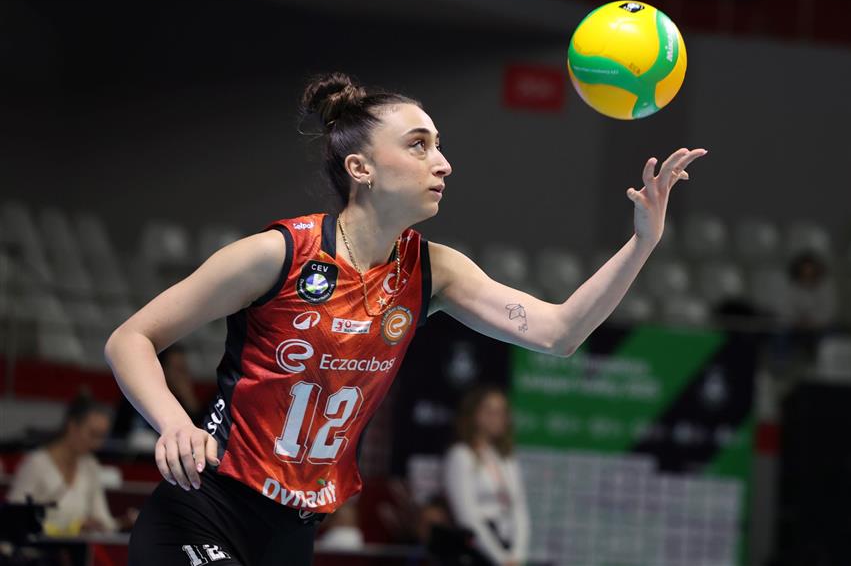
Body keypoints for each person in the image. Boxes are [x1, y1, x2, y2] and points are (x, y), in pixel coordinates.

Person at [106, 72, 707, 566]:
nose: (442, 163)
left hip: (292, 533)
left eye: (438, 145)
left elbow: (558, 333)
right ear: (361, 168)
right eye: (419, 145)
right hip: (206, 504)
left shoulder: (433, 271)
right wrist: (173, 423)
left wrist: (642, 243)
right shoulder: (277, 254)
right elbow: (131, 338)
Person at [6, 389, 121, 536]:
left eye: (102, 437)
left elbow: (104, 521)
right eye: (93, 434)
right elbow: (14, 520)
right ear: (72, 427)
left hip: (76, 549)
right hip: (34, 549)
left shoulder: (90, 466)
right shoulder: (36, 464)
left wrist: (123, 523)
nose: (97, 444)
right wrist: (71, 528)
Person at [443, 386, 528, 566]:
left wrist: (518, 554)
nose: (497, 418)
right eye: (490, 411)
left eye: (502, 412)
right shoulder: (461, 455)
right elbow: (467, 516)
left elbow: (519, 508)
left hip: (508, 544)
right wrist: (501, 559)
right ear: (474, 414)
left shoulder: (506, 458)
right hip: (480, 552)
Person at [111, 344, 204, 449]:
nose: (181, 375)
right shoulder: (138, 394)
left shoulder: (186, 400)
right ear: (162, 369)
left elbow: (200, 432)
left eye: (183, 369)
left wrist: (189, 399)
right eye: (176, 369)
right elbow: (117, 434)